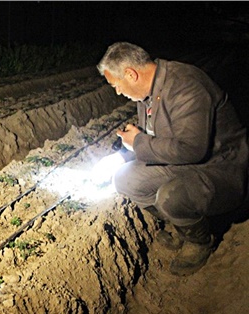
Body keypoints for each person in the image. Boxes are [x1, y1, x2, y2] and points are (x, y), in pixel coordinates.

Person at [94, 42, 249, 276]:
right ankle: (184, 228)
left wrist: (138, 143)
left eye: (116, 85)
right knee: (126, 179)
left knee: (171, 196)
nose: (117, 92)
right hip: (188, 165)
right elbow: (158, 140)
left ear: (130, 74)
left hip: (221, 168)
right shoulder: (148, 94)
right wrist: (126, 151)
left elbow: (192, 150)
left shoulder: (186, 86)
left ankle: (200, 242)